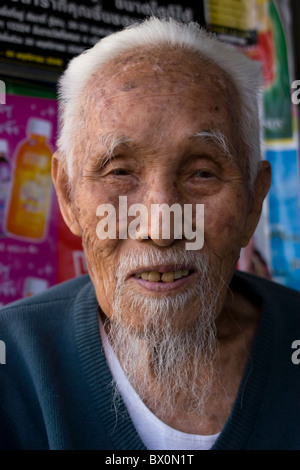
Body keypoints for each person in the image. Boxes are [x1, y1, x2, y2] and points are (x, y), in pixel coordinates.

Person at [0, 17, 299, 451]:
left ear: (253, 201)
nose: (161, 228)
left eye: (201, 172)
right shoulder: (13, 365)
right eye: (119, 172)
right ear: (67, 196)